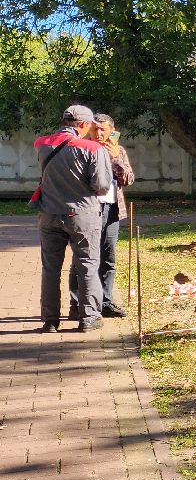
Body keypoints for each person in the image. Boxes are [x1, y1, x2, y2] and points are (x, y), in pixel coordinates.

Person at [33, 105, 113, 333]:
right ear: (84, 125)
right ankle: (88, 318)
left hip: (49, 214)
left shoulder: (42, 144)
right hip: (82, 216)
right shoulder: (93, 148)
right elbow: (102, 185)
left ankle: (49, 321)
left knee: (50, 269)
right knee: (87, 265)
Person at [68, 114, 133, 319]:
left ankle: (105, 302)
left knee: (108, 258)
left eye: (103, 129)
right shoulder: (81, 148)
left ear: (111, 130)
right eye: (95, 129)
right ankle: (77, 305)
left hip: (111, 210)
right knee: (82, 257)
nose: (99, 134)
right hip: (88, 210)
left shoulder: (118, 150)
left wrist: (115, 159)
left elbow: (128, 179)